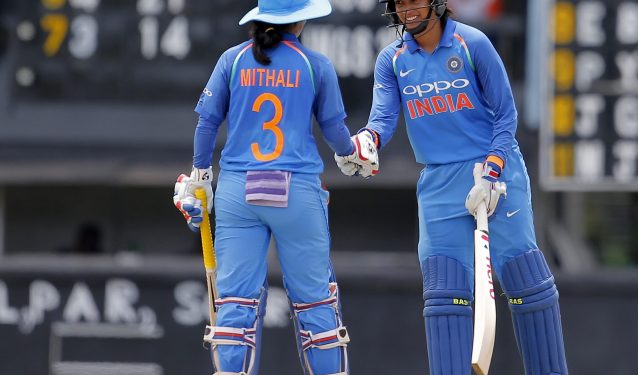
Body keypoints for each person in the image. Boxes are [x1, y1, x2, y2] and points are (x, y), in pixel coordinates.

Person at [336, 0, 569, 373]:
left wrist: (493, 171)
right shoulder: (392, 59)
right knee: (445, 295)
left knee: (527, 285)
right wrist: (365, 143)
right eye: (400, 3)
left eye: (415, 0)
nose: (407, 9)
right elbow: (382, 117)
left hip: (495, 169)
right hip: (439, 182)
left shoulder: (472, 43)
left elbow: (506, 116)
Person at [172, 0, 378, 374]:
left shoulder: (231, 60)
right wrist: (354, 153)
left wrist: (200, 177)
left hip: (238, 191)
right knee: (316, 304)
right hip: (296, 192)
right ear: (300, 21)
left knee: (235, 305)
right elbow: (336, 134)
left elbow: (206, 126)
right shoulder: (315, 65)